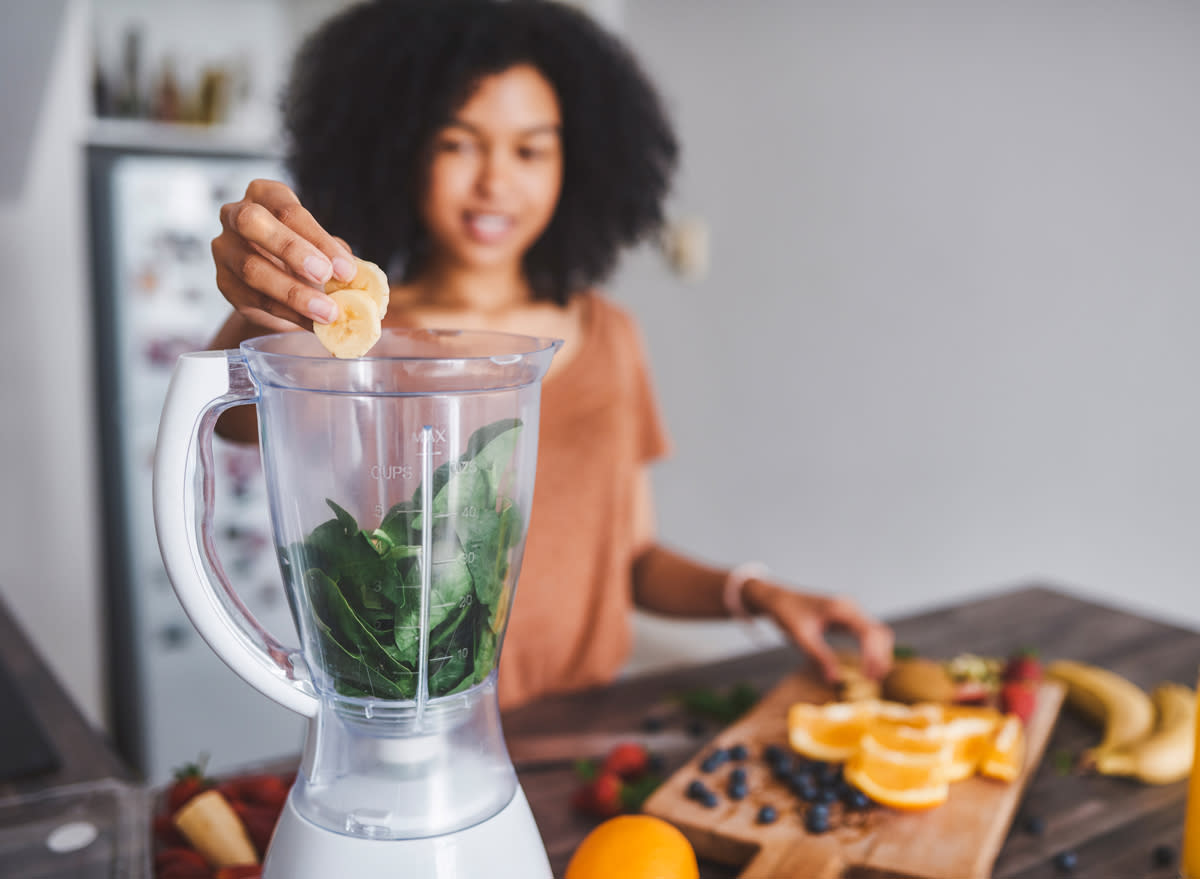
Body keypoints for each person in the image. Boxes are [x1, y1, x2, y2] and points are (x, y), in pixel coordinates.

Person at [208, 0, 894, 711]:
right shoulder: (346, 339)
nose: (496, 181)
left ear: (580, 160)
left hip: (582, 735)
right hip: (397, 738)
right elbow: (228, 415)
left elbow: (630, 562)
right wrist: (262, 294)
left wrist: (759, 593)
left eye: (530, 149)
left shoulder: (611, 335)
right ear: (400, 147)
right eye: (457, 143)